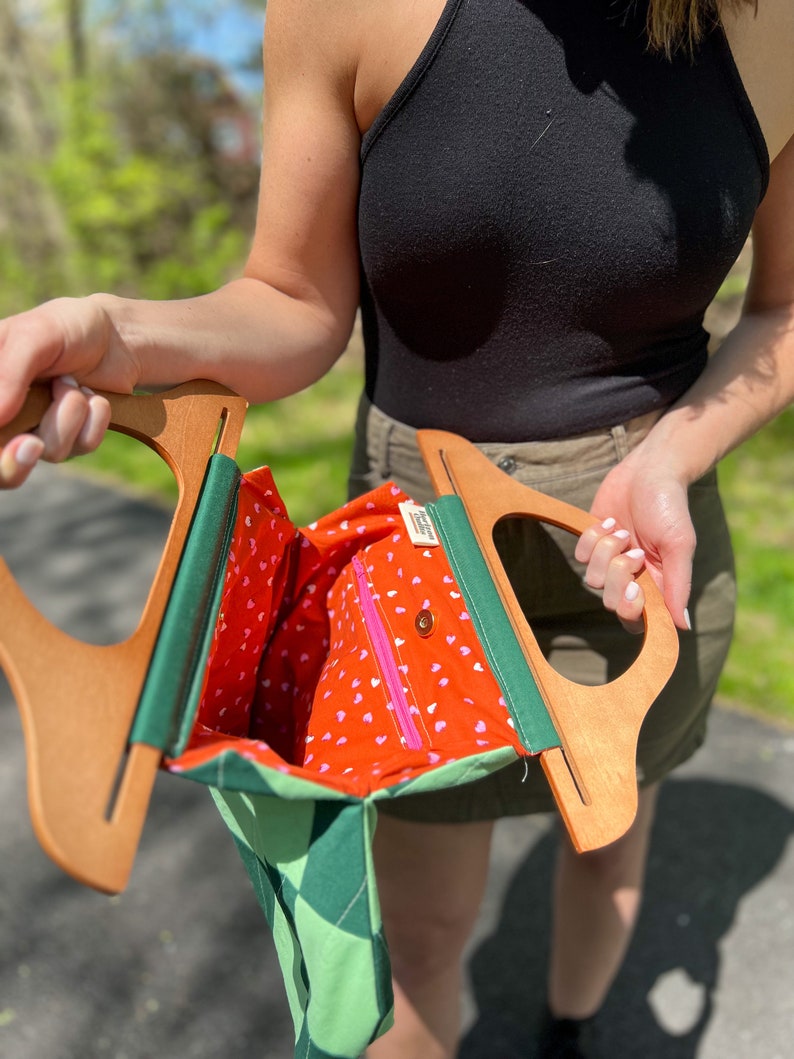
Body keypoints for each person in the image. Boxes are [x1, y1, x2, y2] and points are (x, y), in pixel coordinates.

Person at [1, 0, 792, 1055]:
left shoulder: (768, 21)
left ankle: (567, 1031)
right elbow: (293, 303)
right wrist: (123, 332)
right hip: (414, 572)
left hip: (636, 552)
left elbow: (781, 311)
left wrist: (672, 456)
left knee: (607, 844)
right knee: (415, 937)